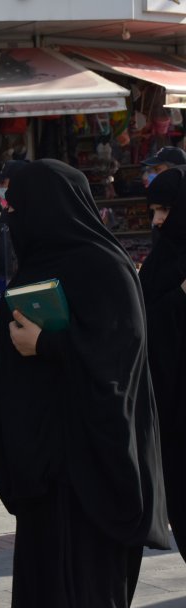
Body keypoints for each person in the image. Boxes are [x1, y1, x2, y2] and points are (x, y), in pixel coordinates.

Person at [0, 159, 169, 608]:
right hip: (45, 469)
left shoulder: (105, 267)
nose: (11, 218)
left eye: (19, 207)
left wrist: (47, 344)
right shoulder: (35, 265)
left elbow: (119, 360)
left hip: (92, 469)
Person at [141, 165, 186, 567]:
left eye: (166, 210)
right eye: (154, 210)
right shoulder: (159, 264)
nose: (157, 221)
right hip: (171, 414)